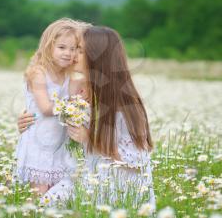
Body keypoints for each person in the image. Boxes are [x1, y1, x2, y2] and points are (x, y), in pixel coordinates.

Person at [18, 25, 155, 209]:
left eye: (79, 50)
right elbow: (56, 120)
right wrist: (30, 123)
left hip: (118, 186)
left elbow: (137, 161)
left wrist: (90, 139)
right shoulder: (83, 91)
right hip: (87, 176)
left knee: (45, 208)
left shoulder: (124, 104)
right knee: (42, 207)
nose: (73, 55)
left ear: (96, 56)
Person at [15, 18, 78, 194]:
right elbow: (45, 108)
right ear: (48, 47)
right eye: (62, 47)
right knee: (40, 192)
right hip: (38, 141)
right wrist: (73, 107)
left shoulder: (68, 76)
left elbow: (76, 100)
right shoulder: (38, 72)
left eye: (73, 49)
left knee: (56, 190)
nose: (68, 53)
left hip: (59, 141)